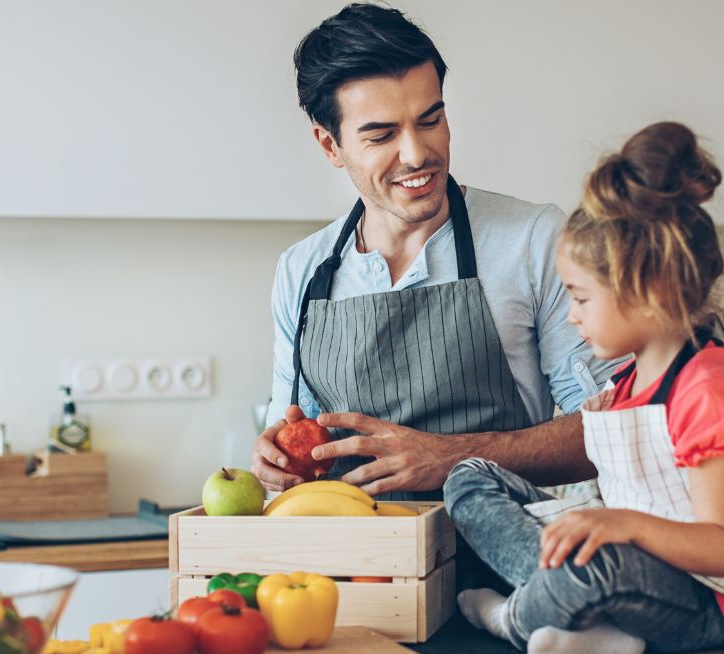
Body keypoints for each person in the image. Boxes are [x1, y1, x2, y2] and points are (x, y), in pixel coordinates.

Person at [252, 3, 620, 500]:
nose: (417, 154)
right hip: (359, 572)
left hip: (496, 567)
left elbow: (613, 429)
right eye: (382, 135)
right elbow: (290, 431)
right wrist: (275, 460)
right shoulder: (302, 271)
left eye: (431, 120)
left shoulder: (534, 239)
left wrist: (452, 459)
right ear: (329, 146)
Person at [444, 122, 724, 654]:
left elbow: (722, 549)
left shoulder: (707, 392)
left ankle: (517, 618)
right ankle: (577, 610)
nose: (572, 315)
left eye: (581, 297)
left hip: (704, 602)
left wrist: (616, 526)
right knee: (468, 475)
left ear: (647, 291)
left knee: (599, 566)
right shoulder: (626, 382)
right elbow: (634, 488)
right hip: (629, 565)